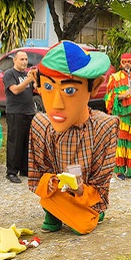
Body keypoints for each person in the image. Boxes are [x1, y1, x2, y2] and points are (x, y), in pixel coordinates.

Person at [28, 41, 119, 234]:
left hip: (86, 195)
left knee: (84, 225)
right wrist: (52, 182)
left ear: (93, 87)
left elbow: (101, 183)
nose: (57, 104)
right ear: (38, 85)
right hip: (55, 194)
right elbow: (37, 176)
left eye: (69, 90)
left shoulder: (105, 126)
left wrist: (80, 191)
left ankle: (87, 211)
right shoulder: (41, 125)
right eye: (48, 86)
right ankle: (55, 212)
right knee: (49, 200)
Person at [3, 51, 37, 183]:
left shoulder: (27, 75)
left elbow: (35, 89)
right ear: (15, 60)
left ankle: (24, 168)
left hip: (29, 111)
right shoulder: (9, 74)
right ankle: (11, 171)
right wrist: (29, 79)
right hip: (15, 112)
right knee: (15, 143)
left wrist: (34, 80)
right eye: (21, 59)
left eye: (26, 59)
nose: (24, 62)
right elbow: (15, 90)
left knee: (27, 142)